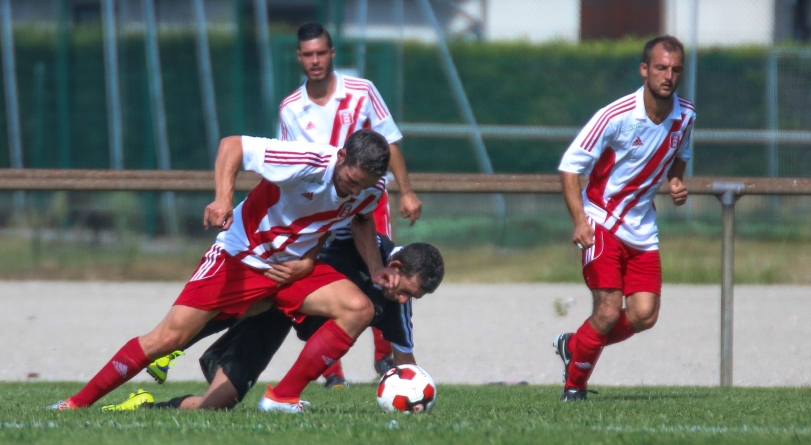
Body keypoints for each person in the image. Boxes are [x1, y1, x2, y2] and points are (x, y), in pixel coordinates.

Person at [47, 129, 394, 412]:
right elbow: (233, 146)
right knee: (168, 339)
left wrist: (373, 267)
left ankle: (282, 399)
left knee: (358, 308)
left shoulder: (369, 188)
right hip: (241, 257)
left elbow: (360, 217)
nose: (354, 188)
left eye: (363, 184)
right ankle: (75, 405)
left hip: (290, 272)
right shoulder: (307, 161)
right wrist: (223, 198)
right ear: (342, 157)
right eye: (352, 179)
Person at [102, 238, 444, 411]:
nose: (403, 300)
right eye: (402, 291)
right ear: (394, 264)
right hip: (261, 289)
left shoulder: (397, 305)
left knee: (219, 404)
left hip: (272, 322)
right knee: (171, 338)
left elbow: (404, 360)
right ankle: (97, 390)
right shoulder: (352, 240)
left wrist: (416, 397)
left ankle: (144, 407)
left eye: (412, 297)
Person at [277, 22, 422, 388]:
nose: (315, 61)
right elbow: (288, 166)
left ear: (332, 53)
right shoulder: (290, 109)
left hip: (368, 204)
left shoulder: (362, 91)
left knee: (386, 271)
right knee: (325, 280)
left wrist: (405, 191)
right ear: (299, 58)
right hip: (319, 208)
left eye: (321, 53)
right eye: (308, 54)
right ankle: (331, 372)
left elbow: (389, 142)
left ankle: (386, 359)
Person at [553, 35, 695, 402]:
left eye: (676, 69)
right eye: (661, 67)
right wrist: (580, 220)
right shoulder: (614, 116)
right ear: (644, 70)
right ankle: (574, 389)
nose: (668, 75)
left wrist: (677, 182)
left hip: (643, 229)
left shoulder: (687, 115)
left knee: (645, 314)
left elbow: (680, 155)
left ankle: (575, 345)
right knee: (608, 308)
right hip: (601, 220)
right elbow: (570, 168)